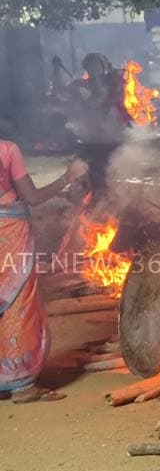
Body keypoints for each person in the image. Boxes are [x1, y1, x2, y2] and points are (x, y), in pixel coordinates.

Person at [0, 149, 88, 403]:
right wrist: (68, 176)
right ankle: (20, 384)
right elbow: (33, 197)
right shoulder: (7, 149)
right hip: (9, 235)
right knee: (18, 305)